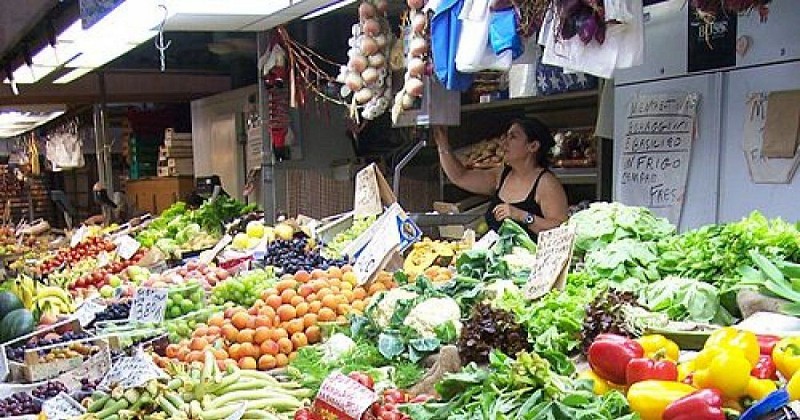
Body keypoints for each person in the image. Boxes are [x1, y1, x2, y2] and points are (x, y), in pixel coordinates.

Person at [433, 118, 569, 239]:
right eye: (506, 136)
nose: (504, 142)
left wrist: (522, 216)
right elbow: (460, 176)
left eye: (513, 137)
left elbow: (561, 230)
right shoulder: (501, 175)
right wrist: (442, 144)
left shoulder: (546, 183)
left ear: (533, 146)